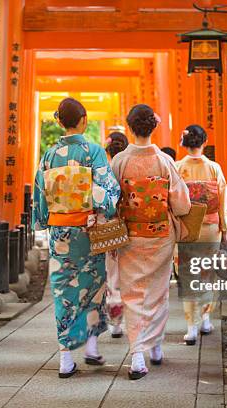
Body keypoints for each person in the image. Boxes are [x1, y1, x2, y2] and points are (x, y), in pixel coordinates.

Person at [32, 98, 121, 378]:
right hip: (88, 230)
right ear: (83, 120)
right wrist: (105, 205)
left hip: (60, 231)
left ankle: (65, 358)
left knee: (63, 291)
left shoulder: (48, 156)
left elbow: (40, 195)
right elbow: (108, 190)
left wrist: (43, 221)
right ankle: (92, 348)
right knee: (93, 286)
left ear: (60, 121)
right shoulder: (93, 151)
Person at [110, 104, 191, 380]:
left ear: (130, 127)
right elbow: (181, 205)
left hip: (130, 235)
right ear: (152, 126)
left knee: (132, 293)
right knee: (158, 291)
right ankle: (155, 346)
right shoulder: (164, 161)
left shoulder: (119, 161)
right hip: (159, 235)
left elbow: (110, 202)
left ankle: (137, 355)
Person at [175, 124, 227, 345]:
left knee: (188, 274)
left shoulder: (178, 167)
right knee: (207, 274)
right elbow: (223, 198)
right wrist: (226, 229)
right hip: (210, 229)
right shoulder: (214, 168)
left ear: (184, 143)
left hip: (187, 228)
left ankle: (191, 327)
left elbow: (174, 201)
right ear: (204, 142)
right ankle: (206, 319)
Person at [104, 131, 129, 338]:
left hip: (112, 228)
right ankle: (137, 319)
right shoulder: (132, 165)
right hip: (135, 226)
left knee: (112, 274)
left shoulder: (107, 170)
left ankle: (115, 321)